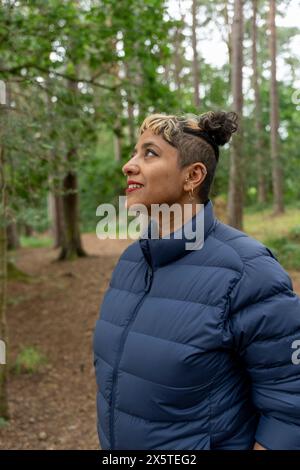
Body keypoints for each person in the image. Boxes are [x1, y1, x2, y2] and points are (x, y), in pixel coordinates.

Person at [93, 111, 300, 450]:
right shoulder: (131, 262)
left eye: (149, 153)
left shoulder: (248, 271)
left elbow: (291, 401)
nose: (128, 165)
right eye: (134, 152)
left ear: (193, 176)